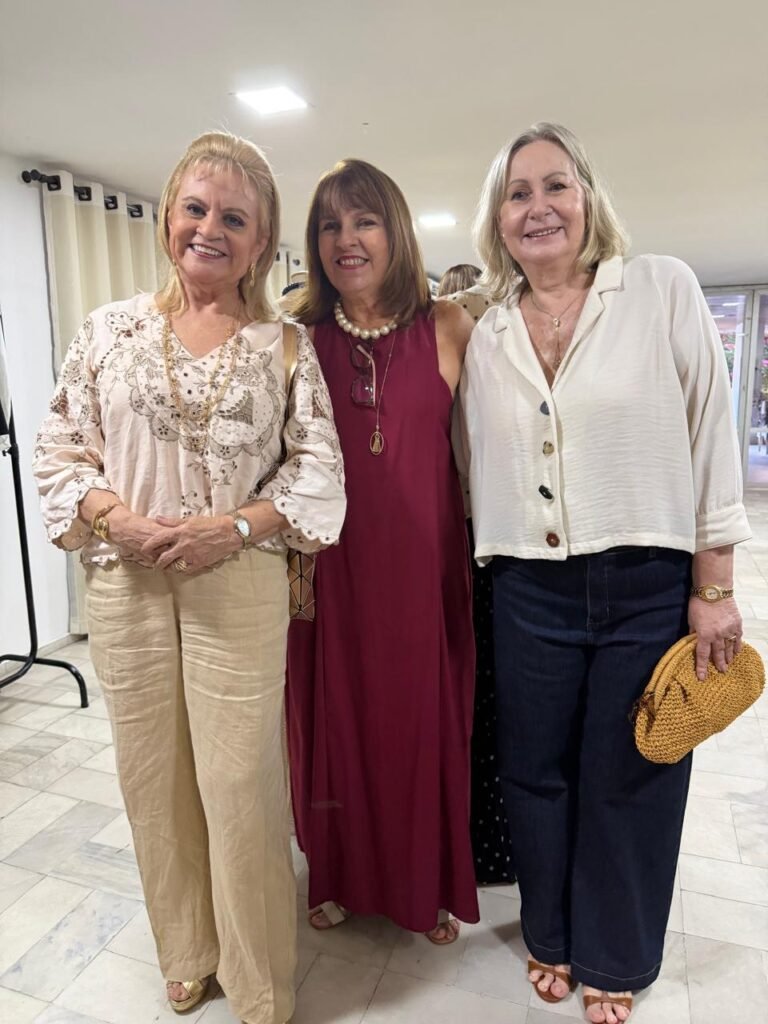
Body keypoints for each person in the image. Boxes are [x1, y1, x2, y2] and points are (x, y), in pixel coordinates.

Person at [33, 131, 346, 1024]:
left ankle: (257, 978)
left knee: (240, 784)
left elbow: (317, 469)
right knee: (152, 777)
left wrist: (233, 525)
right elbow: (60, 447)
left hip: (237, 580)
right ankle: (186, 950)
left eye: (234, 219)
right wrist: (114, 517)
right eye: (197, 209)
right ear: (169, 215)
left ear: (261, 241)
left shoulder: (285, 348)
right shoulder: (108, 331)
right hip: (125, 581)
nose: (211, 229)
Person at [459, 122, 750, 1022]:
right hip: (526, 585)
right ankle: (550, 933)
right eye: (517, 193)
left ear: (588, 198)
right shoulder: (488, 331)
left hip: (645, 579)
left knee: (633, 769)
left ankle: (616, 951)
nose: (538, 207)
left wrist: (713, 585)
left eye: (556, 185)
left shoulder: (659, 288)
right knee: (534, 772)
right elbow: (474, 463)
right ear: (497, 220)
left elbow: (709, 434)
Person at [287, 158, 479, 944]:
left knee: (418, 721)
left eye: (364, 220)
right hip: (332, 568)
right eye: (330, 225)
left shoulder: (450, 326)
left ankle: (425, 881)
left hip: (423, 567)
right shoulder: (298, 338)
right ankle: (336, 873)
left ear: (395, 230)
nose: (347, 239)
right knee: (334, 720)